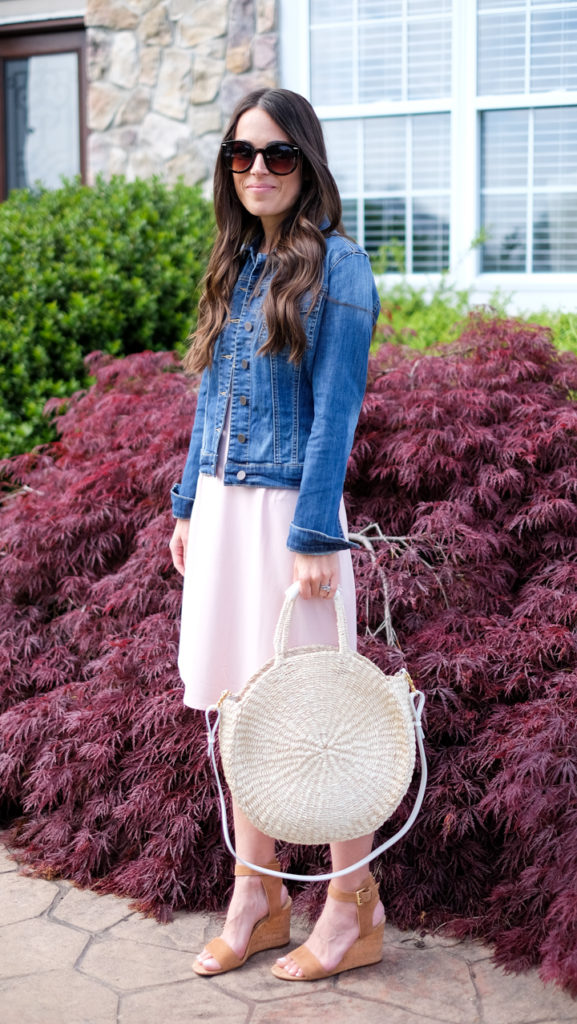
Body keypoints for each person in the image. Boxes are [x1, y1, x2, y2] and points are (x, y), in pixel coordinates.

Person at [169, 88, 383, 982]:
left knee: (314, 710)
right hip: (223, 510)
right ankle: (256, 899)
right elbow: (210, 400)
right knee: (236, 705)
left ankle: (350, 909)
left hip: (290, 516)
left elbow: (335, 415)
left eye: (277, 155)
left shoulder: (339, 267)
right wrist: (186, 503)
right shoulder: (236, 261)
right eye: (241, 155)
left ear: (308, 162)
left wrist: (311, 534)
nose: (257, 170)